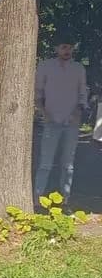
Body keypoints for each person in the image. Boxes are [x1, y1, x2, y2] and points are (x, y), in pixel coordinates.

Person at [34, 38, 88, 201]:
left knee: (68, 164)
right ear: (57, 48)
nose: (67, 51)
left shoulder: (78, 68)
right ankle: (37, 196)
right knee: (45, 163)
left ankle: (65, 197)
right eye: (64, 47)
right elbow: (38, 93)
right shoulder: (45, 66)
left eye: (70, 48)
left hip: (71, 122)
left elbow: (82, 94)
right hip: (51, 120)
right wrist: (44, 113)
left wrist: (77, 114)